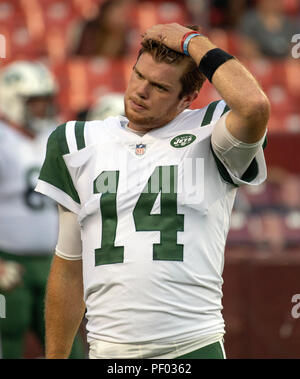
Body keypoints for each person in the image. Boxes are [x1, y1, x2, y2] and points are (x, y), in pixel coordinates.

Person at [35, 23, 270, 359]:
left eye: (159, 86)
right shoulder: (77, 141)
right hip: (109, 352)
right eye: (138, 75)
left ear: (187, 98)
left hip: (191, 347)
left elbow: (254, 105)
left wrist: (193, 43)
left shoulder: (210, 132)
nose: (140, 91)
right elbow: (70, 265)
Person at [0, 61, 85, 359]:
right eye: (34, 101)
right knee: (6, 339)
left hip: (53, 262)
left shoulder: (55, 135)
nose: (42, 108)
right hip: (8, 263)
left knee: (67, 345)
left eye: (45, 100)